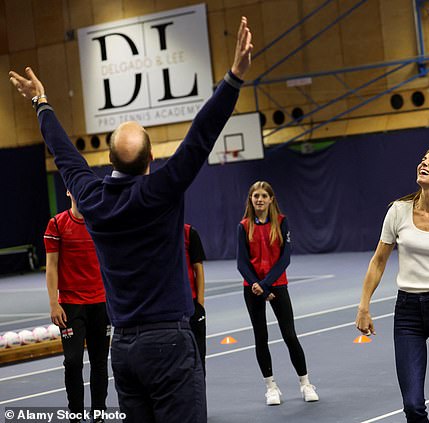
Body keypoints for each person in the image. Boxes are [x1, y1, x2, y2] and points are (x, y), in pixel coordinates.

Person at [9, 16, 253, 422]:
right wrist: (233, 78)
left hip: (123, 348)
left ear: (107, 161)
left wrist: (41, 102)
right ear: (151, 160)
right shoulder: (161, 190)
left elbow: (66, 155)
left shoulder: (92, 198)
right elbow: (201, 136)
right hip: (169, 344)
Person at [356, 146, 429, 423]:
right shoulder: (398, 211)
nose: (425, 163)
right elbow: (378, 261)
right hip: (407, 312)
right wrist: (364, 305)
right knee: (412, 405)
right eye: (423, 159)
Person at [236, 181, 319, 406]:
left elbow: (286, 257)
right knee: (261, 337)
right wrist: (258, 286)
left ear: (271, 199)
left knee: (290, 335)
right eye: (256, 196)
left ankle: (305, 383)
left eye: (264, 195)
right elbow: (242, 263)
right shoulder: (243, 227)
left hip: (276, 285)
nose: (260, 199)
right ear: (251, 200)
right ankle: (271, 387)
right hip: (252, 288)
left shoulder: (281, 223)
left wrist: (266, 284)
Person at [44, 191, 110, 423]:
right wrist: (54, 303)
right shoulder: (56, 224)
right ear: (68, 192)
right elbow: (51, 266)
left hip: (101, 304)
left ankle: (99, 414)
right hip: (71, 306)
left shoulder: (100, 222)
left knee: (99, 361)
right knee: (72, 362)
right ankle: (76, 415)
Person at [185, 224, 207, 372]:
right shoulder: (155, 233)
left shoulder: (189, 233)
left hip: (192, 305)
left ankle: (199, 395)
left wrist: (199, 303)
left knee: (198, 358)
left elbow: (198, 269)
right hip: (167, 309)